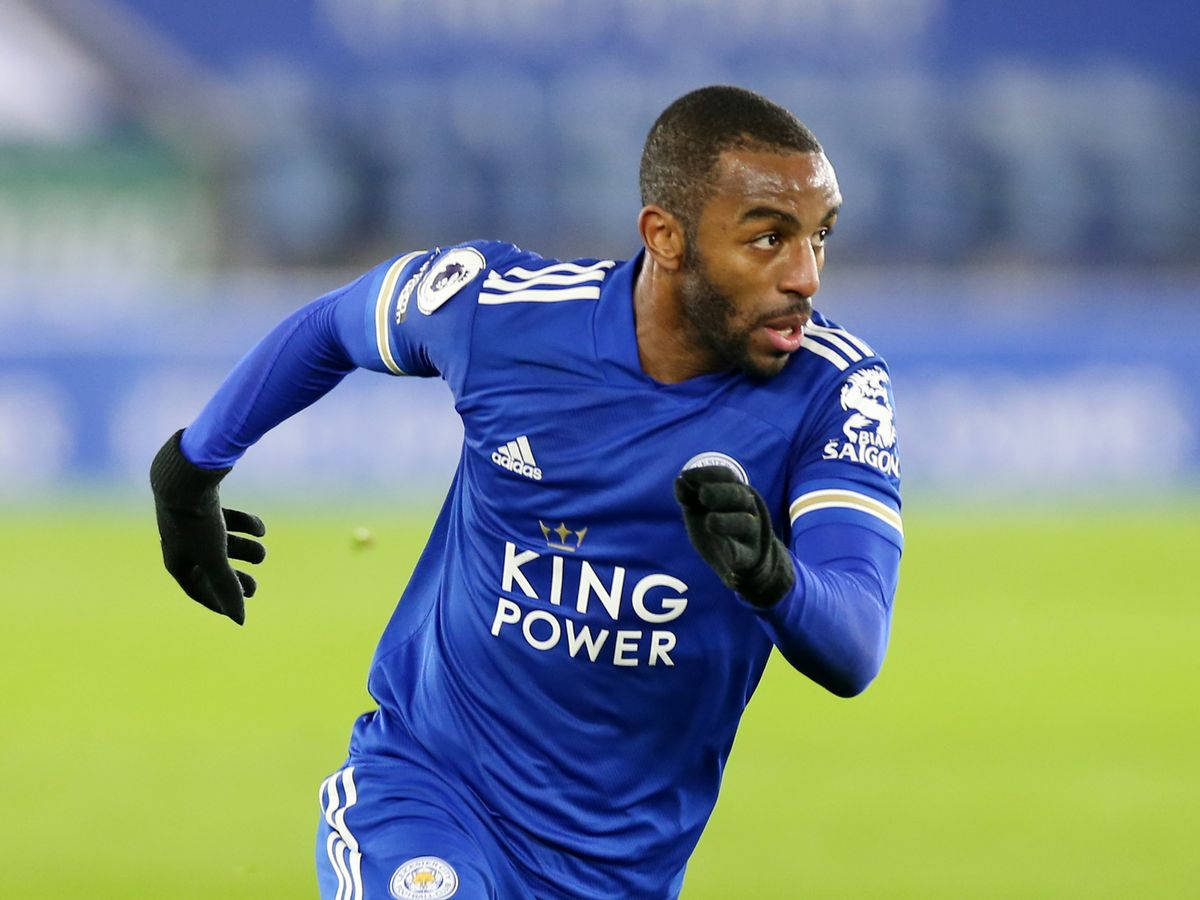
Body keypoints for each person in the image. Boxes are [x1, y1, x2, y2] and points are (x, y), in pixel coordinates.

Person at [150, 85, 903, 900]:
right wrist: (190, 472)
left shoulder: (834, 390)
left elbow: (856, 644)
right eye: (768, 239)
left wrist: (771, 577)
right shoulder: (501, 312)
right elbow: (335, 325)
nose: (806, 276)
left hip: (621, 870)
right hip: (431, 798)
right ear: (666, 237)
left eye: (820, 237)